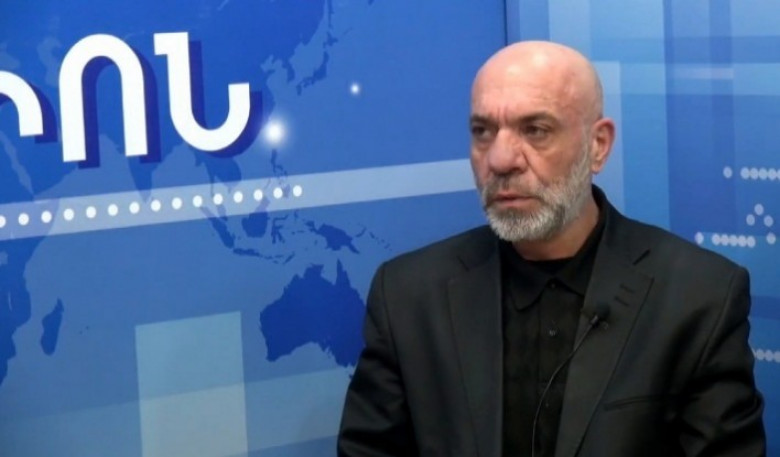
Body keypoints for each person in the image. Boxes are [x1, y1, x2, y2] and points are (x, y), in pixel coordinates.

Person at [337, 41, 766, 457]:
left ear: (598, 145)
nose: (501, 159)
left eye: (536, 130)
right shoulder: (408, 296)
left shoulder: (698, 297)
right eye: (483, 131)